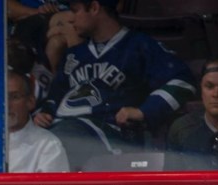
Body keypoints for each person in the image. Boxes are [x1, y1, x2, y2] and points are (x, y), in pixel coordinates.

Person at [33, 0, 196, 170]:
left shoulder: (139, 46)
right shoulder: (74, 54)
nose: (72, 19)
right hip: (61, 129)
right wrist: (44, 113)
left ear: (94, 7)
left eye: (76, 11)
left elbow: (183, 81)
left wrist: (145, 111)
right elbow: (55, 97)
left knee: (55, 145)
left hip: (107, 135)